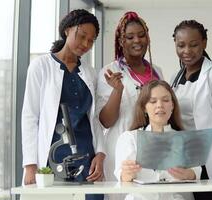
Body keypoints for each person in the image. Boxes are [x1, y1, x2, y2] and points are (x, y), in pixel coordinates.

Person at [22, 9, 105, 200]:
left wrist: (100, 154)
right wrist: (30, 165)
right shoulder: (40, 66)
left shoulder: (90, 73)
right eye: (82, 36)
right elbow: (29, 116)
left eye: (91, 41)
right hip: (53, 156)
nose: (85, 44)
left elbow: (94, 119)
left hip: (86, 156)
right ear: (67, 30)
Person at [96, 11, 163, 185]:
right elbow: (106, 121)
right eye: (130, 37)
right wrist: (117, 90)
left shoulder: (157, 72)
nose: (137, 41)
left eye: (141, 35)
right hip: (122, 148)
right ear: (121, 41)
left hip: (153, 147)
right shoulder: (110, 72)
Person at [171, 20, 212, 200]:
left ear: (204, 43)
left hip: (210, 157)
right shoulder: (175, 77)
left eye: (194, 44)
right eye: (181, 45)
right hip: (186, 159)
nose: (187, 51)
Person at [114, 80, 201, 200]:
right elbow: (121, 176)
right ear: (144, 107)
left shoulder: (185, 139)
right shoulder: (129, 138)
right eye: (153, 101)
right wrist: (127, 174)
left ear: (172, 105)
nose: (160, 105)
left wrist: (188, 174)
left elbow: (197, 173)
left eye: (165, 100)